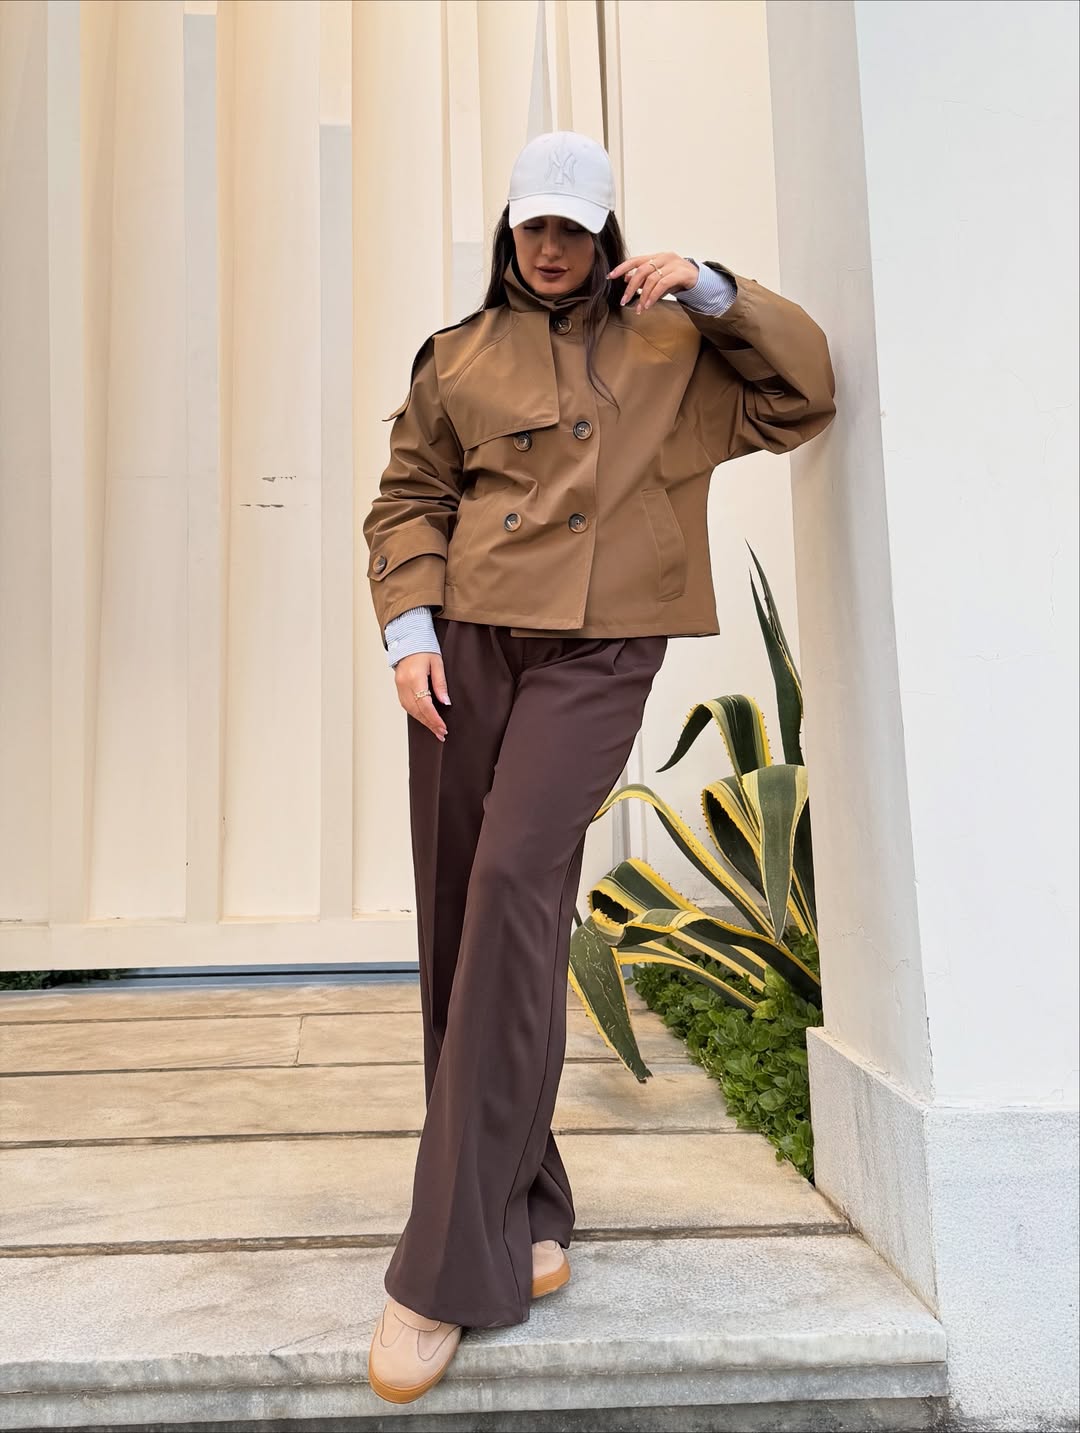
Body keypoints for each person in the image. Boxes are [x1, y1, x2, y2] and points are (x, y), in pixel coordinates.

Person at [362, 129, 836, 1405]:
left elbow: (805, 393)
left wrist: (714, 287)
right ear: (509, 227)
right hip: (467, 646)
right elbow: (407, 497)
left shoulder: (676, 346)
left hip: (603, 647)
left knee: (515, 886)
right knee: (461, 919)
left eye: (574, 225)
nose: (552, 245)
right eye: (535, 224)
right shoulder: (457, 355)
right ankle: (524, 1196)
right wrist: (410, 634)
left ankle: (446, 1265)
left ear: (608, 229)